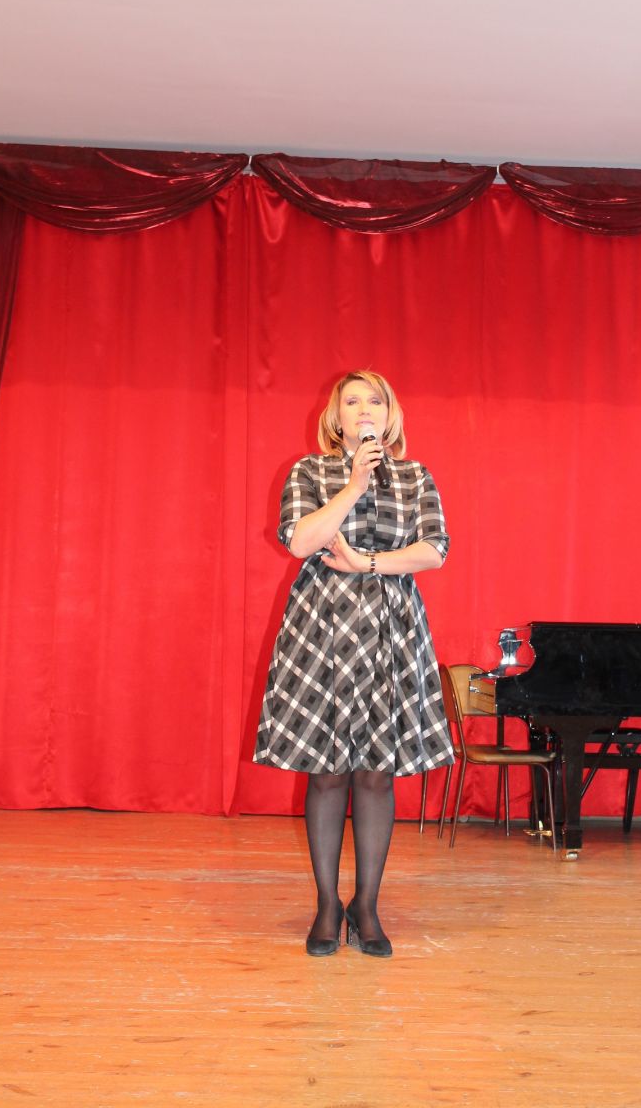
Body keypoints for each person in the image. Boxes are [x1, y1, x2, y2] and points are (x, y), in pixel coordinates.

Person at [254, 370, 453, 958]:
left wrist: (367, 563)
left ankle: (366, 905)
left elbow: (434, 550)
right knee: (326, 771)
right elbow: (299, 541)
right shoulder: (309, 472)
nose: (364, 409)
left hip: (391, 628)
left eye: (375, 401)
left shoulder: (416, 477)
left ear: (390, 417)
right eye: (352, 401)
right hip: (322, 629)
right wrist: (353, 485)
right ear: (335, 418)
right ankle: (326, 905)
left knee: (375, 772)